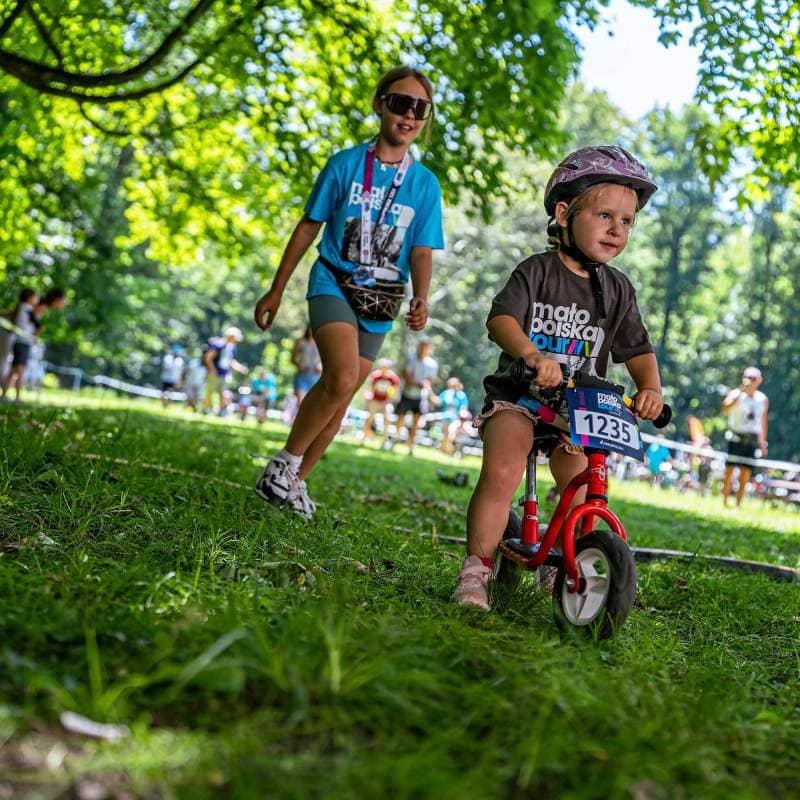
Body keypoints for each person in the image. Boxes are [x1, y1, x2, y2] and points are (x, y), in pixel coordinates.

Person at [451, 145, 665, 611]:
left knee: (585, 482)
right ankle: (476, 571)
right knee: (504, 468)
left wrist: (650, 388)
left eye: (627, 221)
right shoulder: (538, 271)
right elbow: (501, 319)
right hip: (521, 398)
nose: (617, 229)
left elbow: (637, 349)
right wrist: (531, 353)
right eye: (605, 214)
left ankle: (560, 554)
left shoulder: (619, 289)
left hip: (580, 410)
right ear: (565, 214)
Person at [253, 66, 444, 518]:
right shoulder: (343, 165)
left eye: (420, 108)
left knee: (343, 396)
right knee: (338, 378)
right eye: (400, 102)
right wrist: (276, 290)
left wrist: (422, 296)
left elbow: (421, 249)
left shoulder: (425, 185)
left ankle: (294, 484)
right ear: (380, 104)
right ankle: (282, 465)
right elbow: (307, 228)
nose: (409, 115)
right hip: (333, 281)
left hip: (380, 301)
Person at [722, 366, 768, 507]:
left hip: (752, 439)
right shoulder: (736, 394)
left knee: (745, 473)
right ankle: (724, 501)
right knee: (729, 471)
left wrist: (762, 443)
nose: (751, 381)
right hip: (736, 437)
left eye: (754, 378)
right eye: (749, 378)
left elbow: (763, 422)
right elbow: (725, 408)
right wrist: (740, 393)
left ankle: (738, 504)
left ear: (759, 380)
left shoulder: (762, 399)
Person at [393, 338, 439, 454]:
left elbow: (430, 380)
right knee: (400, 418)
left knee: (416, 422)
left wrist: (426, 386)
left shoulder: (432, 364)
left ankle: (410, 445)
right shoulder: (411, 358)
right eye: (422, 346)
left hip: (420, 397)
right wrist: (417, 383)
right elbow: (406, 375)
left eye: (427, 347)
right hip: (407, 394)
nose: (424, 349)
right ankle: (396, 439)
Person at [1, 288, 39, 402]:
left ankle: (4, 395)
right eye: (35, 297)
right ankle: (17, 397)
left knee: (13, 371)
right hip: (23, 343)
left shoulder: (20, 308)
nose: (37, 299)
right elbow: (37, 325)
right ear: (29, 298)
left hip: (19, 342)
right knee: (20, 371)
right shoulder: (27, 309)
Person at [203, 326, 247, 413]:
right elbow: (208, 357)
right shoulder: (218, 345)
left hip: (224, 374)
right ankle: (207, 410)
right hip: (214, 373)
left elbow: (231, 361)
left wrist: (240, 368)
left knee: (223, 393)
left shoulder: (232, 348)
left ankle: (221, 411)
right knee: (210, 392)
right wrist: (212, 370)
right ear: (231, 337)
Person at [363, 358, 400, 440]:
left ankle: (385, 438)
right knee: (369, 418)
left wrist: (390, 399)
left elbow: (394, 392)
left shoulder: (393, 379)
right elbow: (370, 389)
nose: (383, 369)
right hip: (375, 400)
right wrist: (368, 396)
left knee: (387, 418)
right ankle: (365, 435)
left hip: (386, 402)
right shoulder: (375, 376)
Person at [290, 325, 322, 411]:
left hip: (316, 376)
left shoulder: (323, 343)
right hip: (302, 375)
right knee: (300, 402)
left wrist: (321, 368)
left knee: (312, 404)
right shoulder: (301, 341)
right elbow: (292, 358)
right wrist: (298, 364)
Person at [436, 376, 470, 454]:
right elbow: (439, 402)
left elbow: (463, 409)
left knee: (451, 433)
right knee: (445, 436)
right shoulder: (446, 393)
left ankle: (450, 451)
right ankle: (445, 451)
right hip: (445, 418)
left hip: (456, 419)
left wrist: (462, 417)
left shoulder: (462, 395)